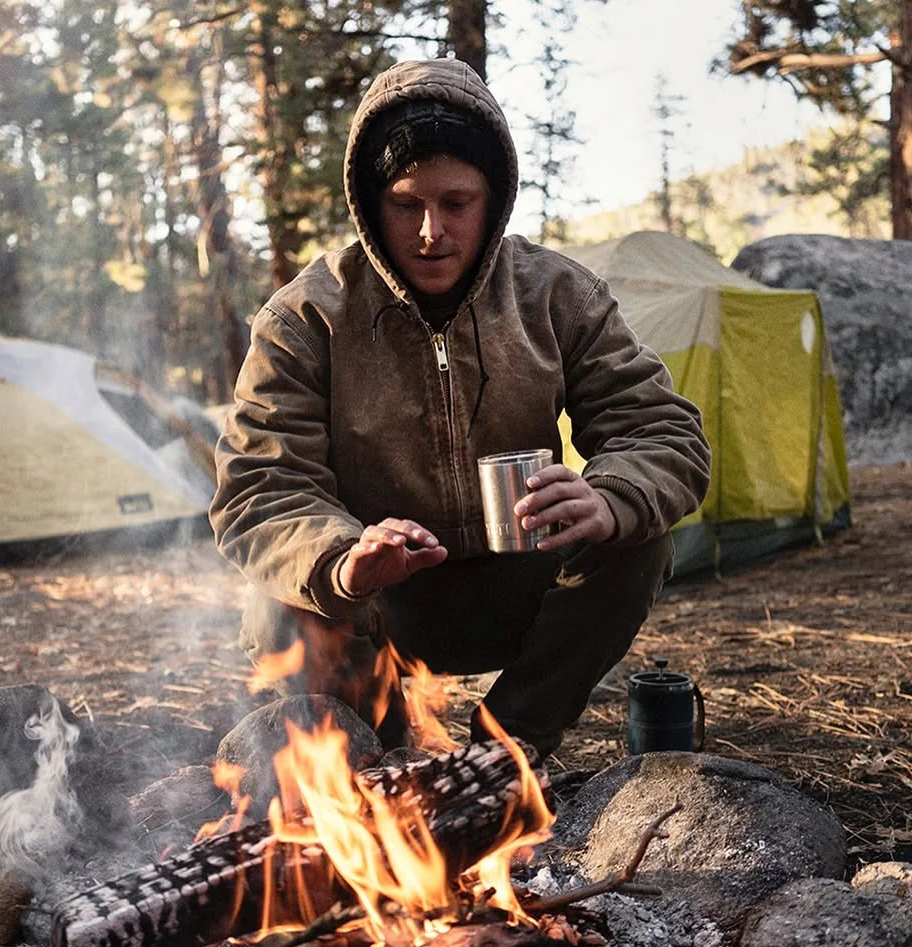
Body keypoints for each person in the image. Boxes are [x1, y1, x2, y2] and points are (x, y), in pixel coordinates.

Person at [210, 57, 711, 758]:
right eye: (407, 203)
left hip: (520, 588)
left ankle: (508, 748)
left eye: (456, 203)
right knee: (279, 597)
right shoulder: (306, 317)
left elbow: (664, 431)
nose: (429, 232)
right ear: (368, 198)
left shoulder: (555, 294)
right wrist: (344, 559)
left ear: (495, 196)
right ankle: (376, 760)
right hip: (380, 604)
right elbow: (259, 487)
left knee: (637, 534)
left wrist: (608, 495)